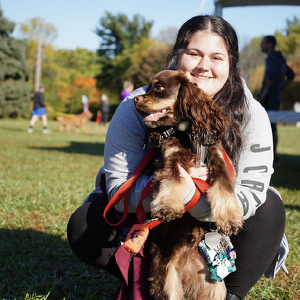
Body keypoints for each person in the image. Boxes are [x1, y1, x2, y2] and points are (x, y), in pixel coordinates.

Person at [67, 16, 288, 300]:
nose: (204, 66)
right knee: (86, 222)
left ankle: (228, 294)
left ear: (231, 63)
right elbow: (118, 187)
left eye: (217, 57)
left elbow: (252, 191)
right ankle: (144, 280)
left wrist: (195, 200)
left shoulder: (251, 113)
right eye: (193, 54)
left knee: (269, 208)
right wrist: (174, 193)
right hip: (155, 223)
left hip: (218, 231)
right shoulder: (136, 105)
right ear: (177, 56)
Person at [260, 35, 295, 165]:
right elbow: (291, 75)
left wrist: (265, 91)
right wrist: (281, 88)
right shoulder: (281, 59)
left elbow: (270, 75)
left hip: (270, 96)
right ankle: (273, 157)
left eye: (263, 43)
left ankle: (271, 158)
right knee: (272, 126)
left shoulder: (272, 58)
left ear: (269, 44)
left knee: (268, 126)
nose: (261, 46)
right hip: (276, 95)